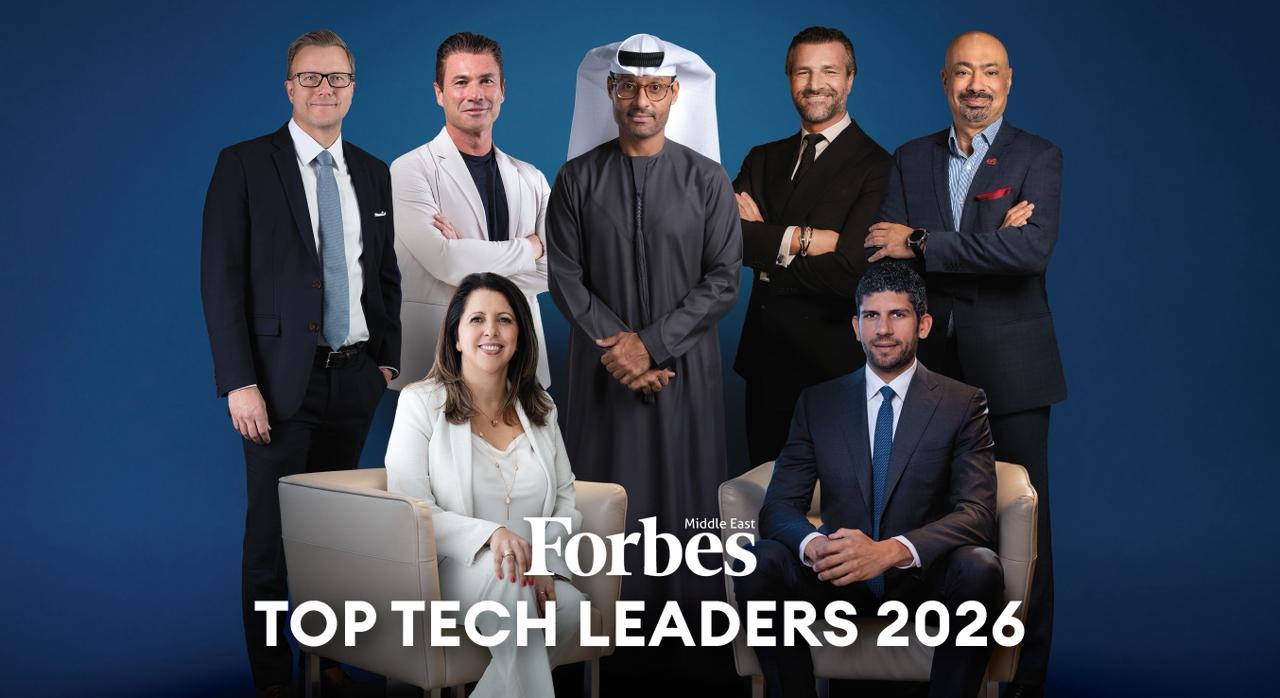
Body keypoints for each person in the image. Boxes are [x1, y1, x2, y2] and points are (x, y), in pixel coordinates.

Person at [200, 29, 401, 697]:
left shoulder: (372, 171)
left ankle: (330, 661)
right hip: (277, 386)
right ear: (289, 88)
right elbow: (221, 280)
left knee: (337, 540)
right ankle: (273, 681)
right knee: (270, 544)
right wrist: (239, 382)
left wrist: (384, 364)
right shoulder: (244, 165)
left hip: (355, 379)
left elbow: (385, 275)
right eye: (311, 77)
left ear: (353, 88)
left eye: (337, 78)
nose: (325, 89)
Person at [866, 31, 1064, 697]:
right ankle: (940, 677)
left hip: (1014, 373)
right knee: (925, 518)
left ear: (1008, 81)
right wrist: (986, 242)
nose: (976, 85)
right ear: (944, 81)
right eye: (962, 72)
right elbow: (885, 255)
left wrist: (925, 242)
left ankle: (1022, 683)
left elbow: (1028, 255)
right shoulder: (910, 158)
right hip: (928, 374)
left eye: (989, 72)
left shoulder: (1038, 156)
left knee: (1024, 529)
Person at [735, 261, 1003, 698]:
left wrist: (890, 551)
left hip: (921, 580)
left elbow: (976, 514)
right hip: (837, 578)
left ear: (923, 324)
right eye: (871, 316)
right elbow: (779, 508)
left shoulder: (963, 404)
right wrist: (816, 546)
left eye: (898, 315)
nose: (883, 329)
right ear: (855, 327)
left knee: (980, 567)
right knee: (758, 560)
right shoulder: (818, 403)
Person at [547, 34, 741, 605]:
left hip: (685, 371)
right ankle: (600, 630)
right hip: (602, 373)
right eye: (629, 87)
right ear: (610, 89)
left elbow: (723, 278)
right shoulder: (576, 178)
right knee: (605, 505)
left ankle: (692, 631)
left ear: (675, 93)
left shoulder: (708, 179)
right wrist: (622, 352)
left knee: (687, 503)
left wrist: (651, 346)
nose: (641, 101)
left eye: (655, 88)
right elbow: (564, 277)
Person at [386, 273, 583, 698]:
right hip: (448, 568)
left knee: (572, 610)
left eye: (504, 320)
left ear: (520, 336)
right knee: (510, 588)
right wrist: (492, 535)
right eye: (476, 319)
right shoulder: (420, 403)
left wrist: (544, 560)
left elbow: (566, 497)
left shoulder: (542, 407)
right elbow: (409, 508)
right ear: (456, 337)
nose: (491, 331)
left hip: (528, 569)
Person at [733, 26, 892, 472]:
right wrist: (804, 239)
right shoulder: (762, 158)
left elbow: (851, 268)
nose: (814, 84)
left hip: (835, 368)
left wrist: (766, 249)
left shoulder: (879, 166)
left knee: (837, 504)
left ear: (850, 79)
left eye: (828, 71)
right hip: (765, 364)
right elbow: (725, 238)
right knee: (764, 496)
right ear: (789, 78)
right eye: (802, 72)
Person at [391, 32, 552, 390]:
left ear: (502, 90)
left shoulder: (531, 177)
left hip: (519, 364)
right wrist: (530, 247)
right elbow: (445, 260)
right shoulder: (409, 170)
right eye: (461, 82)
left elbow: (555, 270)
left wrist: (466, 256)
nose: (475, 94)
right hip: (438, 363)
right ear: (439, 93)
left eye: (486, 81)